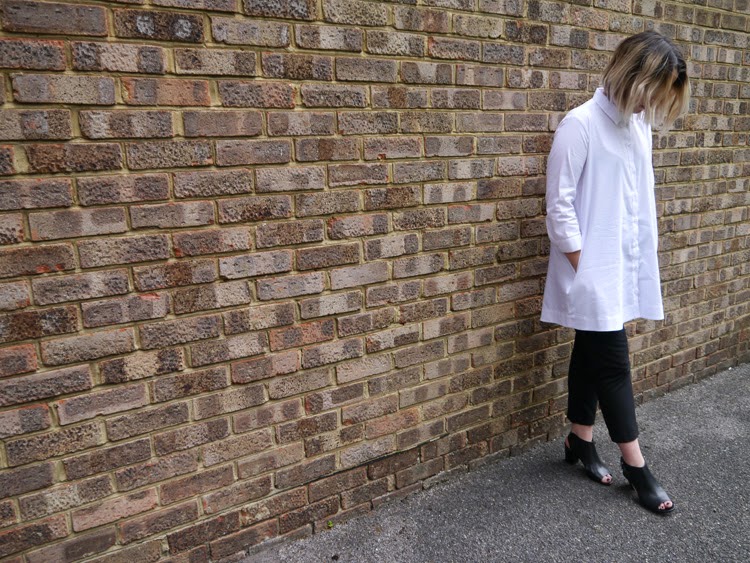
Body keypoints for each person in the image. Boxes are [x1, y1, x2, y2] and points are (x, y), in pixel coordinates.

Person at [541, 31, 690, 514]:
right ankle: (636, 466)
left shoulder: (637, 126)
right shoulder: (580, 124)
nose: (651, 105)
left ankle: (579, 440)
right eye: (652, 92)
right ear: (631, 75)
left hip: (622, 265)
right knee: (613, 362)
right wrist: (587, 269)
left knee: (591, 349)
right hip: (588, 269)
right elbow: (559, 206)